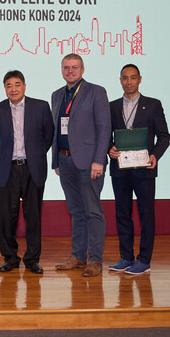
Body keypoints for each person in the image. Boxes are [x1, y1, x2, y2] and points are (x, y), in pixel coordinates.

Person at [50, 54, 111, 277]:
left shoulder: (96, 92)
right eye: (66, 67)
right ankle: (78, 255)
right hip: (65, 161)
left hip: (89, 162)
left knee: (93, 211)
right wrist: (55, 160)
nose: (70, 71)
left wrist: (99, 160)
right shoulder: (57, 95)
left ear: (82, 69)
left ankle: (95, 259)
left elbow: (104, 128)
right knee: (76, 211)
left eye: (74, 67)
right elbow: (57, 129)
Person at [107, 64, 170, 275]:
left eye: (133, 77)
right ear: (120, 80)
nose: (129, 82)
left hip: (144, 170)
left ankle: (144, 260)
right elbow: (107, 136)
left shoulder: (152, 105)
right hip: (120, 170)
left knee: (146, 215)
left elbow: (164, 136)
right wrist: (110, 149)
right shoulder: (112, 106)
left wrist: (155, 155)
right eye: (125, 78)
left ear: (140, 79)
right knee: (122, 215)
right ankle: (126, 258)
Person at [0, 70, 54, 274]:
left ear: (24, 86)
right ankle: (10, 258)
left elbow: (48, 135)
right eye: (9, 85)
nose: (13, 89)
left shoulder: (41, 107)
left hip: (32, 168)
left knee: (33, 216)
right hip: (7, 169)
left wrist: (34, 155)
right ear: (5, 89)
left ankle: (32, 259)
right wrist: (4, 154)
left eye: (17, 84)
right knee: (7, 217)